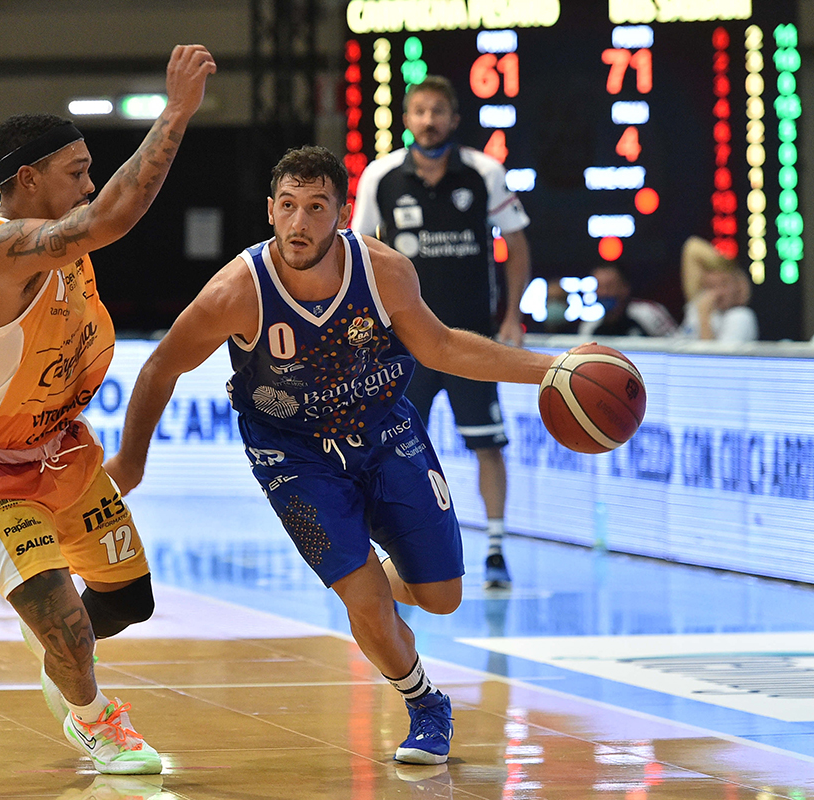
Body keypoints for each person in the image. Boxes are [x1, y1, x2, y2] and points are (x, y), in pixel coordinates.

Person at [105, 146, 554, 765]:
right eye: (288, 206)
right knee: (365, 603)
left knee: (444, 595)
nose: (299, 222)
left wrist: (551, 369)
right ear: (269, 211)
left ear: (342, 214)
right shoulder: (238, 289)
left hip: (386, 433)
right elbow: (161, 367)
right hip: (292, 455)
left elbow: (443, 346)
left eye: (316, 208)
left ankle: (384, 589)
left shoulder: (384, 270)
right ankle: (426, 704)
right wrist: (132, 460)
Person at [0, 44, 216, 776]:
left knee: (130, 602)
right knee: (71, 631)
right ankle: (95, 722)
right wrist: (175, 112)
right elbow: (115, 217)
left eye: (91, 171)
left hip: (61, 450)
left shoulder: (59, 248)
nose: (91, 184)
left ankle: (57, 639)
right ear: (27, 181)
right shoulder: (6, 253)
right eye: (78, 172)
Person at [350, 75, 529, 589]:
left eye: (438, 111)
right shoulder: (381, 176)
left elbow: (517, 245)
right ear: (406, 119)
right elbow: (359, 253)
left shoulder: (483, 172)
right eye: (419, 111)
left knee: (489, 445)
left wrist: (512, 315)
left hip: (470, 343)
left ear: (453, 119)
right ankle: (392, 554)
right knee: (390, 449)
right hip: (405, 345)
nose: (428, 121)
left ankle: (495, 550)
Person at [677, 236, 758, 343]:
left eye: (723, 284)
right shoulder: (698, 306)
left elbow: (715, 359)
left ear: (738, 286)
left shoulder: (740, 316)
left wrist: (704, 318)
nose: (718, 293)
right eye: (711, 286)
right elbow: (692, 247)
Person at [577, 264, 676, 337]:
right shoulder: (589, 327)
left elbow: (678, 345)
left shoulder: (649, 313)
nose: (604, 293)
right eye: (599, 287)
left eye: (609, 286)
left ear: (624, 288)